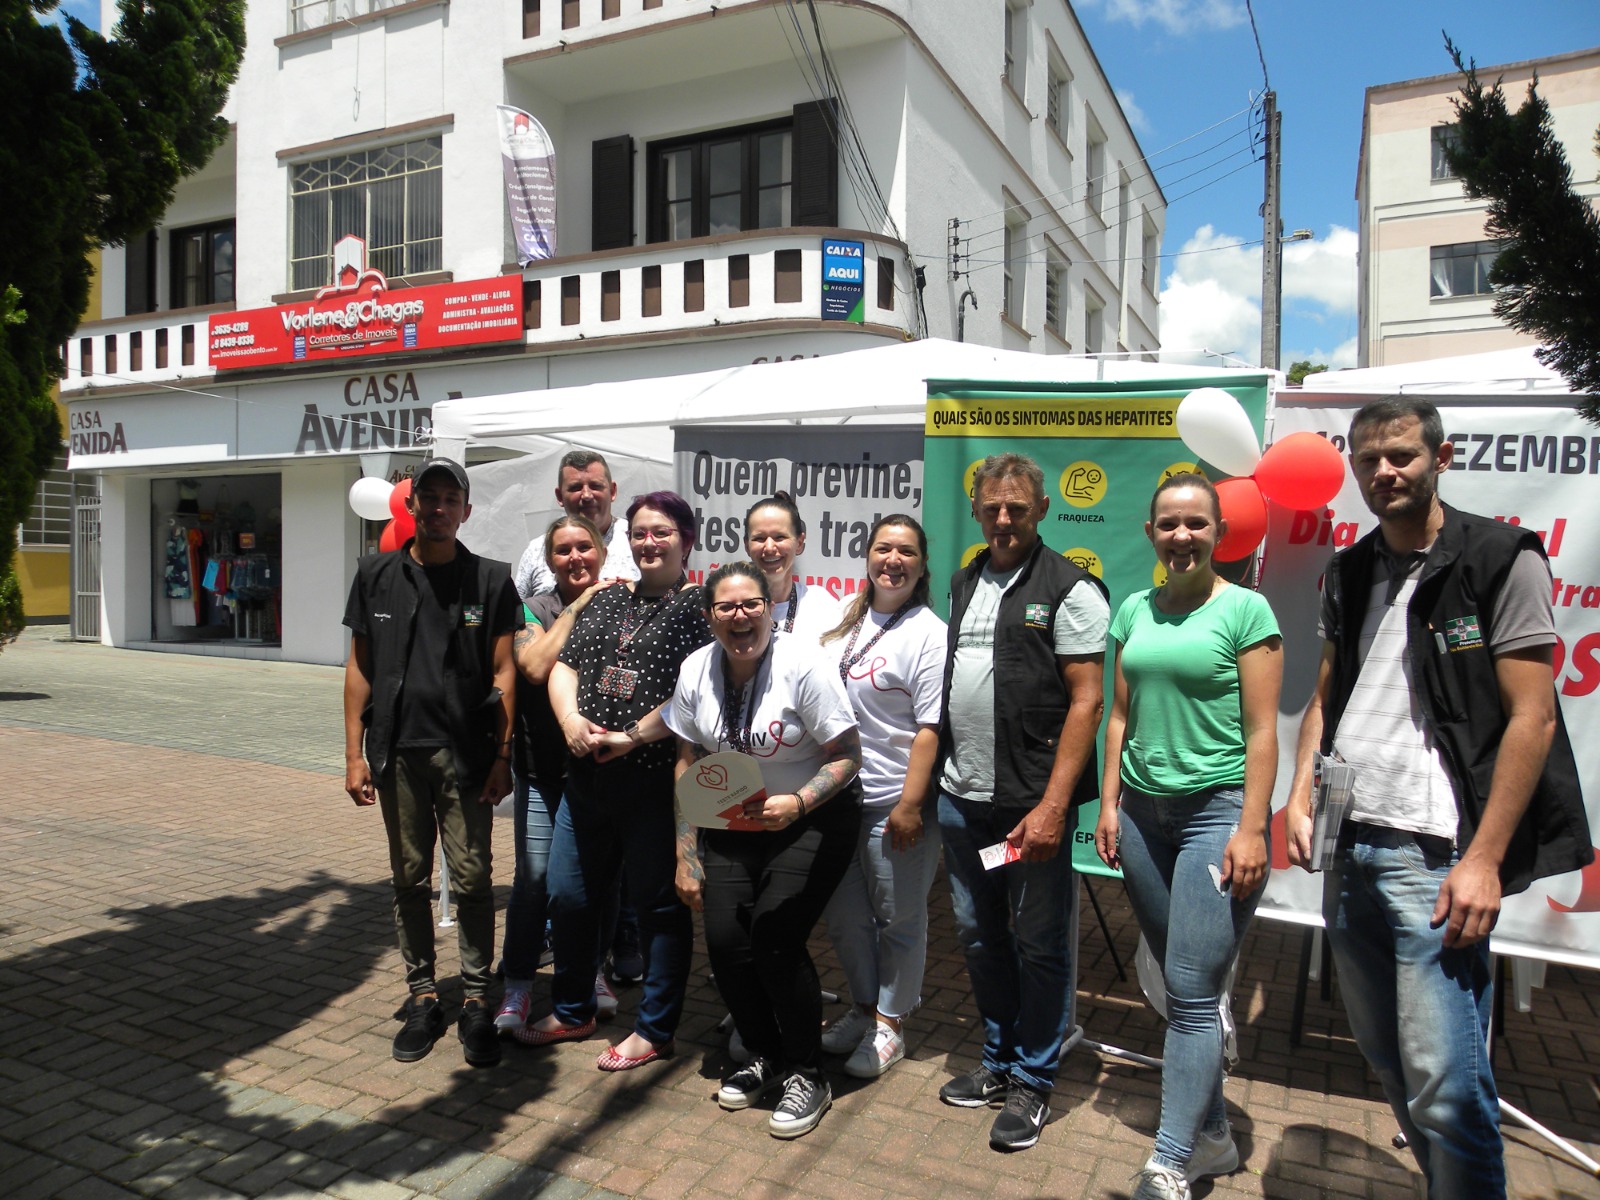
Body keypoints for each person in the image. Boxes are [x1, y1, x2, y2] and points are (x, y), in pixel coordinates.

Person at [1285, 397, 1589, 1199]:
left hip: (1437, 859)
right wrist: (1297, 790)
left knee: (1449, 1088)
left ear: (1440, 457)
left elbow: (1533, 716)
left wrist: (1483, 859)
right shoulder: (1349, 570)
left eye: (1402, 456)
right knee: (1389, 1062)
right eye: (1368, 459)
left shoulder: (1498, 557)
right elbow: (1326, 693)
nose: (1385, 471)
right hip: (1351, 851)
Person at [1093, 474, 1282, 1200]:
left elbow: (1265, 731)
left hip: (1216, 814)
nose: (1182, 536)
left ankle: (1172, 1159)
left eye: (1196, 524)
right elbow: (1118, 716)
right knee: (1180, 983)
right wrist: (1109, 805)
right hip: (1142, 815)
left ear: (1217, 533)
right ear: (1150, 533)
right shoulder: (1133, 609)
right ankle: (1213, 1136)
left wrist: (1250, 828)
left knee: (1195, 993)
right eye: (1168, 523)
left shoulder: (1247, 609)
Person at [934, 452, 1108, 1151]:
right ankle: (999, 1063)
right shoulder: (963, 580)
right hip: (962, 799)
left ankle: (1035, 1079)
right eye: (992, 506)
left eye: (1017, 507)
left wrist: (1054, 806)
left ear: (1040, 511)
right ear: (976, 510)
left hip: (1027, 811)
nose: (1003, 518)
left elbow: (1088, 700)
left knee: (1039, 945)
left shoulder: (1071, 589)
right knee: (980, 937)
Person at [665, 561, 862, 1139]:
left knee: (774, 937)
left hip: (812, 819)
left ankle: (808, 1073)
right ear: (710, 618)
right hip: (731, 822)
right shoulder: (696, 668)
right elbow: (686, 762)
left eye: (751, 603)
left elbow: (849, 755)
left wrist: (798, 803)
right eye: (725, 607)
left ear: (769, 609)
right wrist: (686, 854)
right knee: (726, 943)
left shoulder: (803, 663)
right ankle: (763, 1054)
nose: (740, 616)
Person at [342, 458, 521, 1068]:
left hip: (467, 757)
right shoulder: (375, 575)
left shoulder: (492, 580)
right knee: (409, 880)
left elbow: (505, 672)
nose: (440, 508)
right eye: (430, 497)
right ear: (411, 506)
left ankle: (475, 1001)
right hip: (396, 753)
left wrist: (502, 756)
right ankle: (423, 996)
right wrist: (353, 755)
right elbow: (359, 667)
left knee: (471, 881)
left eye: (452, 499)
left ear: (466, 512)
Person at [522, 491, 710, 1072]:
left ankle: (654, 1030)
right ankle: (574, 1007)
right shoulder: (606, 600)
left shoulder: (700, 609)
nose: (649, 542)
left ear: (686, 540)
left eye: (662, 532)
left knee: (658, 909)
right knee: (569, 895)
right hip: (585, 780)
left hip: (654, 784)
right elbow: (563, 668)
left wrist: (630, 736)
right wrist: (571, 720)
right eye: (640, 532)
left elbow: (696, 695)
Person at [816, 515, 948, 1078]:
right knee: (845, 919)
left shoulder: (929, 632)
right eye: (883, 548)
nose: (893, 560)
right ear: (867, 555)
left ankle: (891, 1022)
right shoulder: (846, 619)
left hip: (893, 801)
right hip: (834, 800)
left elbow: (929, 728)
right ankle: (864, 1006)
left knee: (898, 918)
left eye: (906, 552)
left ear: (921, 565)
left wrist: (911, 804)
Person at [494, 515, 619, 1035]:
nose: (575, 558)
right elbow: (535, 667)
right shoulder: (532, 608)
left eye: (584, 547)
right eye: (563, 550)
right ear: (549, 561)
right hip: (544, 771)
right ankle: (519, 984)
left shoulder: (627, 604)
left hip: (604, 769)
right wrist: (580, 606)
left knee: (602, 881)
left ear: (601, 553)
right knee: (537, 877)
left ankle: (592, 972)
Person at [513, 450, 638, 600]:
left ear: (612, 491)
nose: (586, 495)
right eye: (575, 488)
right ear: (560, 496)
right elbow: (517, 613)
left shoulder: (638, 541)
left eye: (595, 486)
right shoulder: (537, 551)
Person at [744, 492, 845, 645]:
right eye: (759, 538)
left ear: (799, 543)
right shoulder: (732, 608)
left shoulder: (820, 605)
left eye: (780, 537)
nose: (770, 548)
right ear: (747, 545)